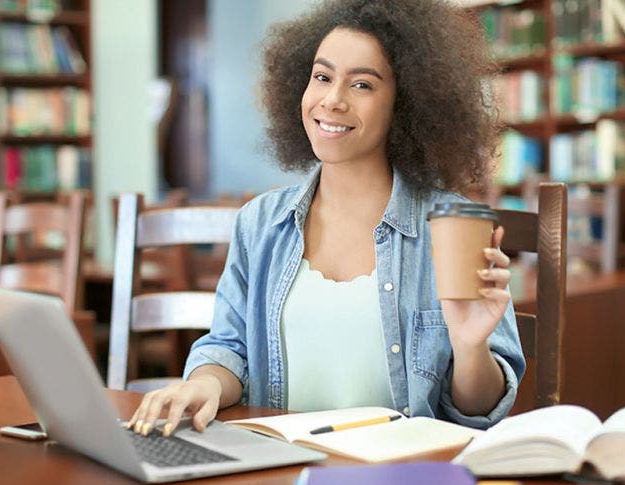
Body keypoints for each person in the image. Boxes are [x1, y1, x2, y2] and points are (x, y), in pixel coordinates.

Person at [128, 0, 524, 437]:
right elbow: (229, 348)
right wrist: (202, 384)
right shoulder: (259, 222)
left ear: (407, 104)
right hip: (276, 469)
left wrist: (470, 349)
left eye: (362, 85)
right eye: (322, 76)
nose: (332, 100)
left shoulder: (453, 227)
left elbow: (481, 414)